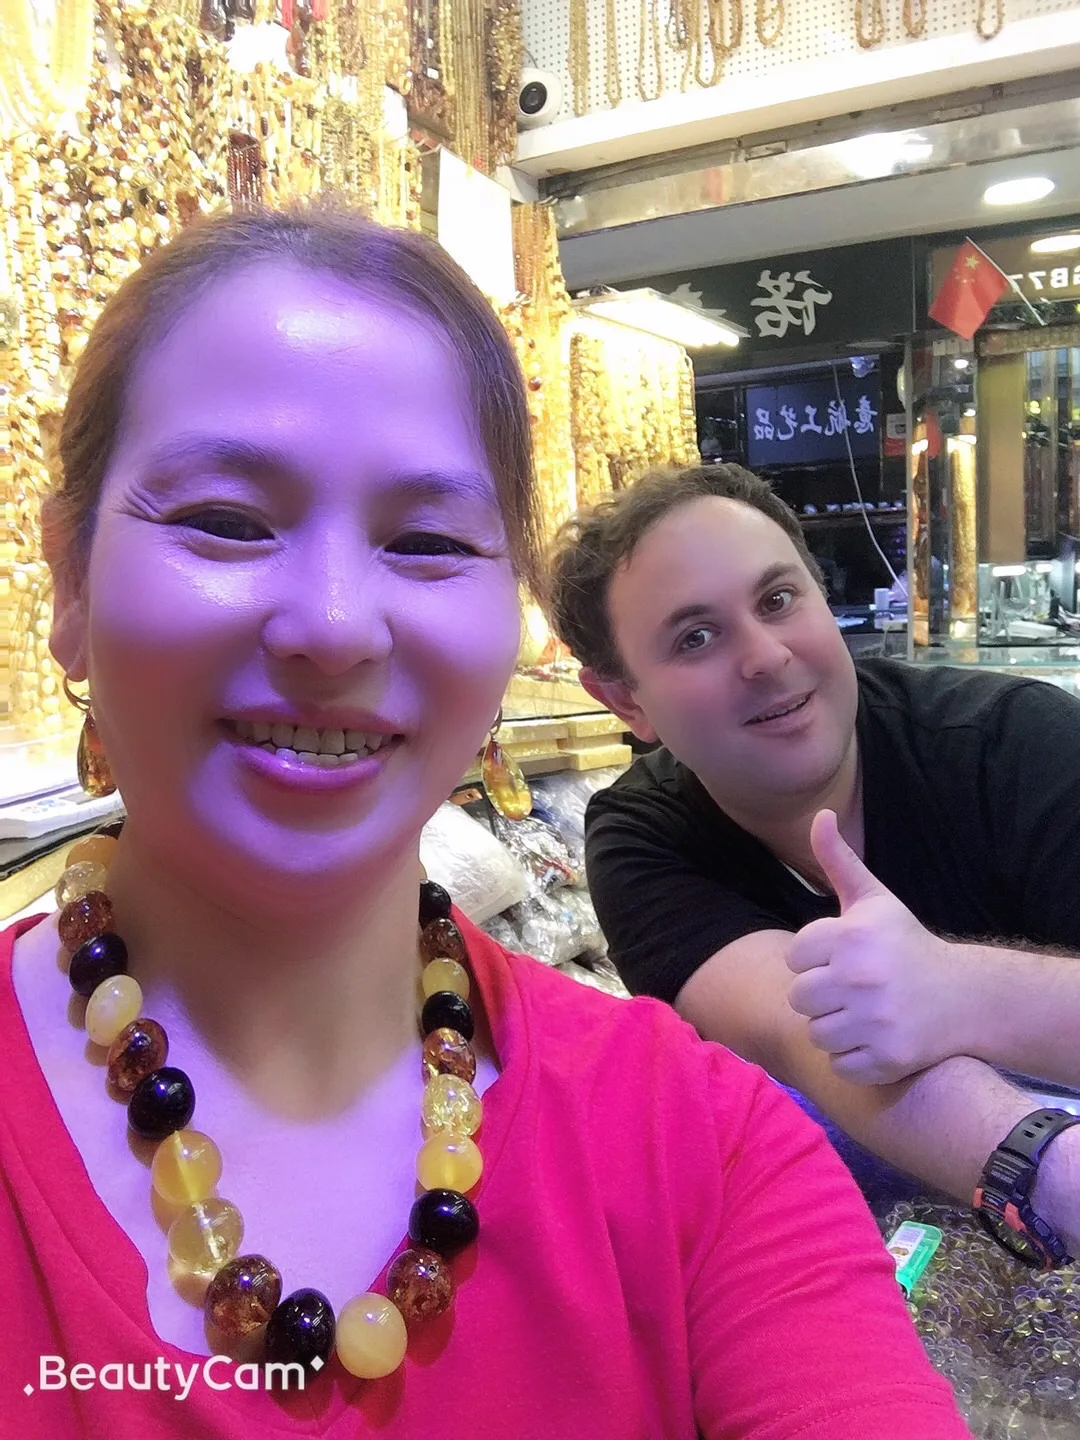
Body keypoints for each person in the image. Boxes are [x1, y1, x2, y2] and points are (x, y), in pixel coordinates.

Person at [1, 209, 968, 1440]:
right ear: (70, 582)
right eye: (228, 522)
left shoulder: (704, 1153)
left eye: (426, 542)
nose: (335, 626)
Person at [548, 462, 1080, 1258]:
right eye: (696, 637)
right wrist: (1048, 1175)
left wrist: (960, 989)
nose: (764, 656)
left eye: (777, 600)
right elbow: (809, 1038)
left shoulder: (1014, 745)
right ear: (625, 701)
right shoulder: (644, 835)